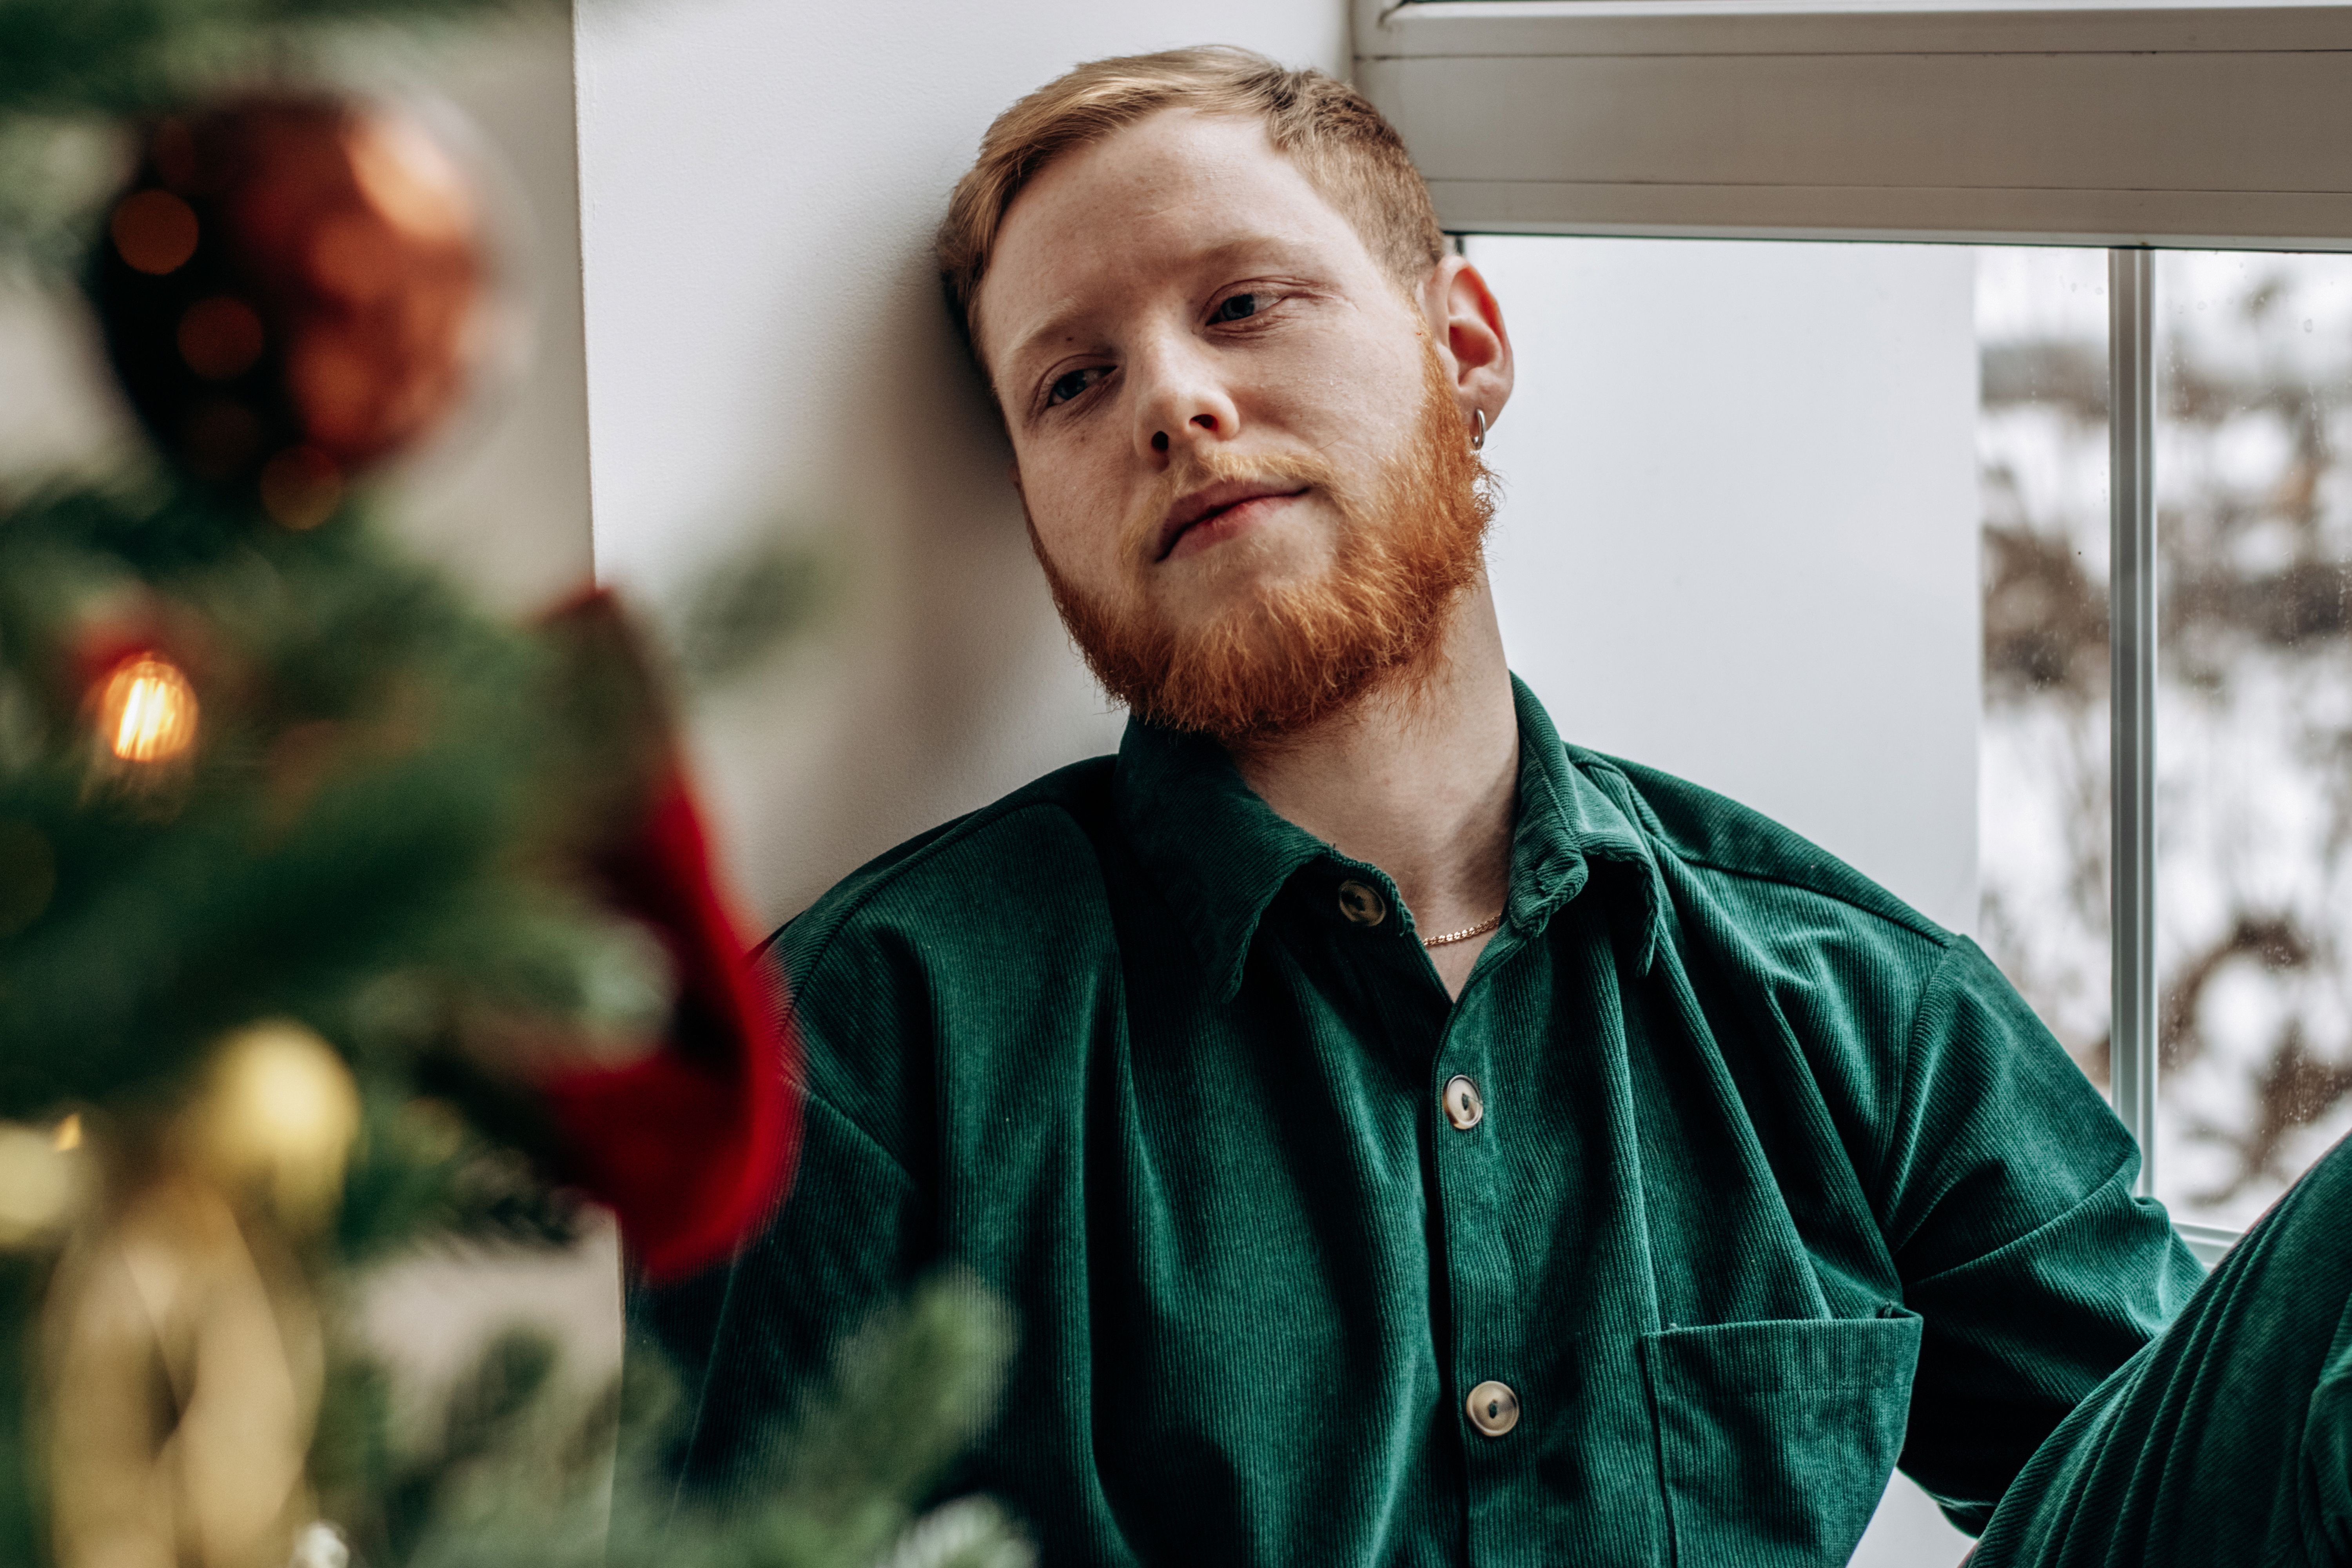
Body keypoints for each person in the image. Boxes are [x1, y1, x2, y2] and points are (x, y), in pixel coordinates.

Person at [637, 47, 2352, 1566]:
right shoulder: (860, 1051)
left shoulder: (1844, 996)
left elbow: (2204, 1461)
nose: (1174, 402)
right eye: (1071, 384)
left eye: (1242, 305)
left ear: (1466, 347)